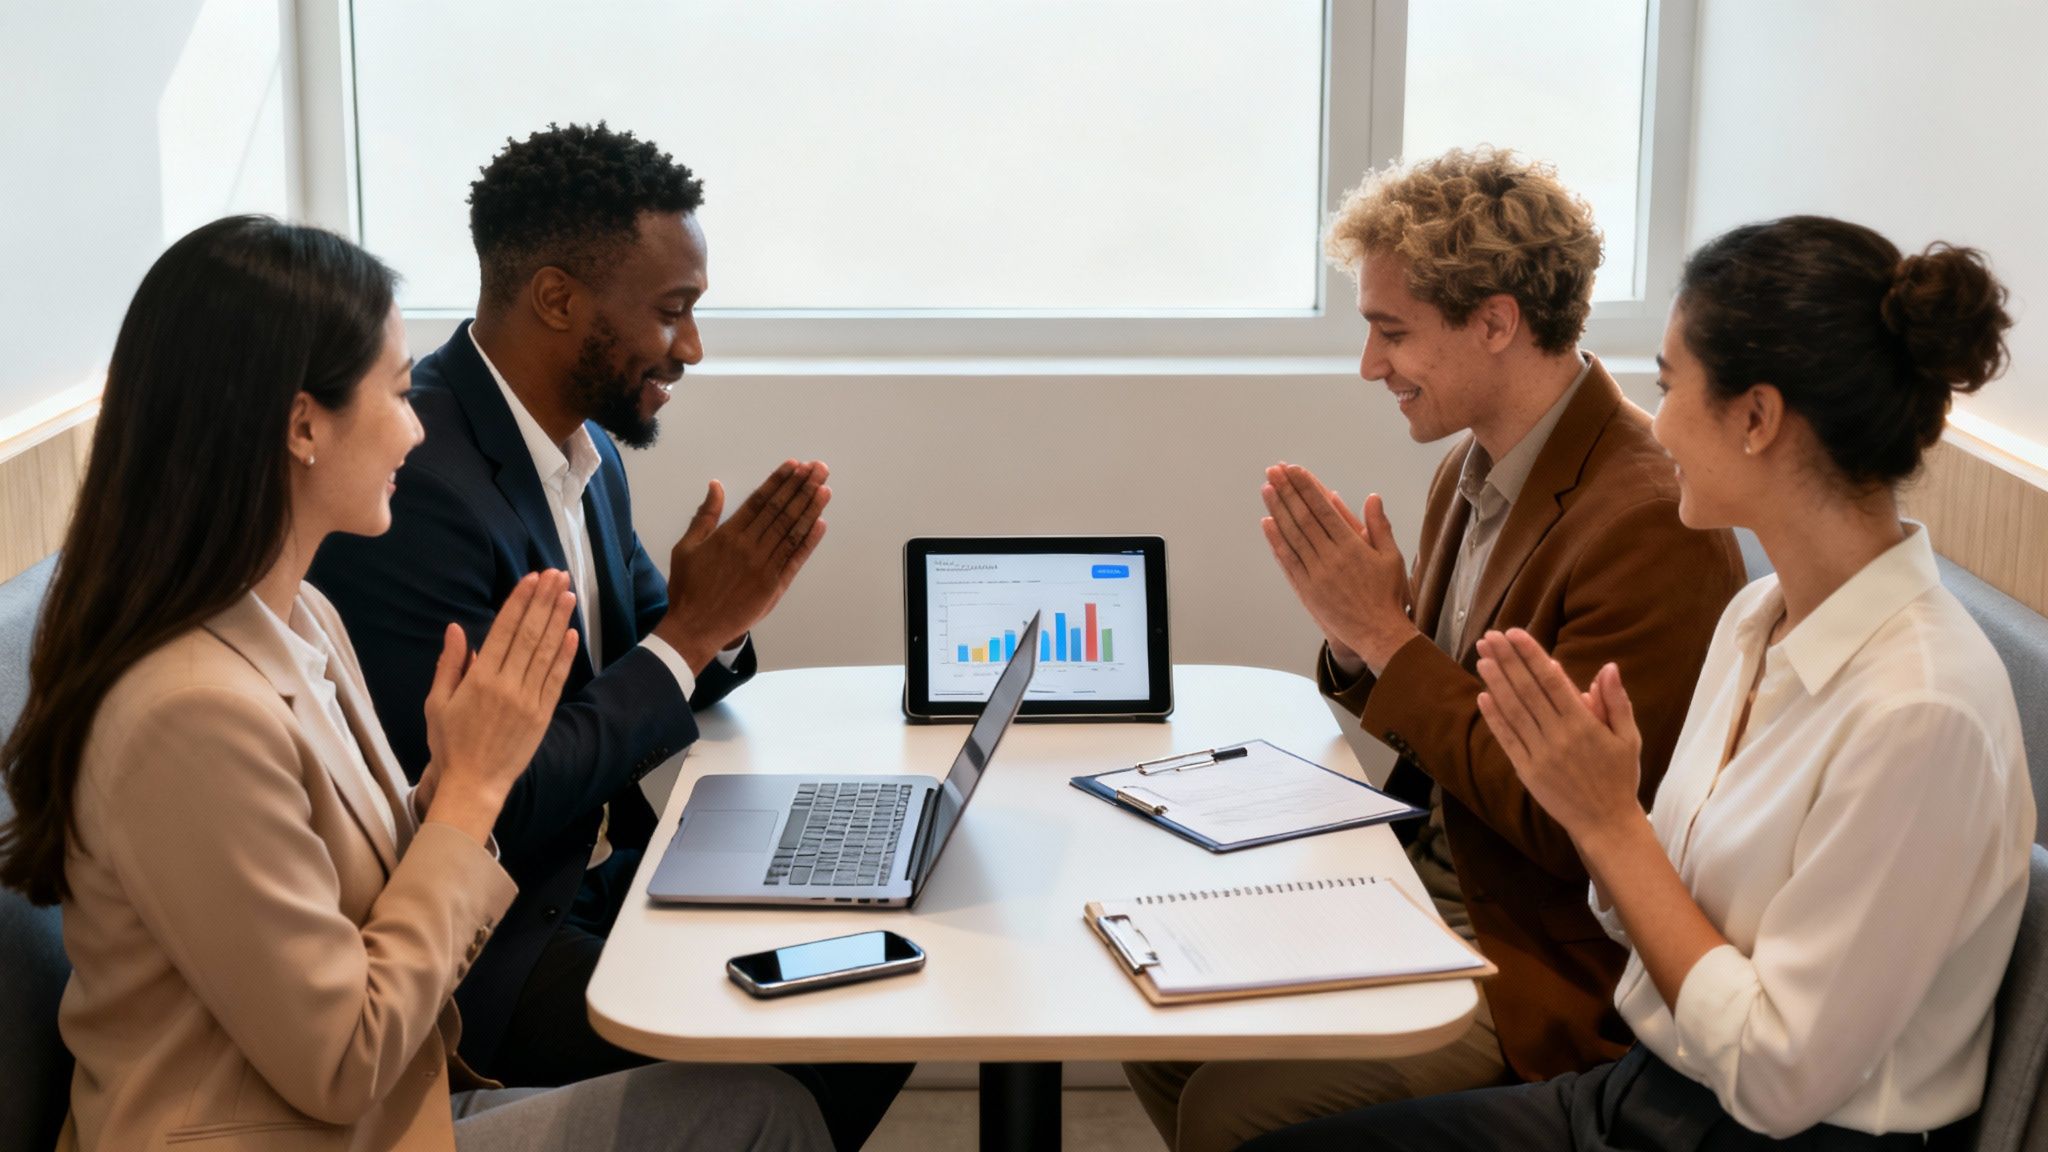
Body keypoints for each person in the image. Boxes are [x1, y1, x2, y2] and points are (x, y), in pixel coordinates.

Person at [0, 215, 829, 1151]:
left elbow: (366, 892)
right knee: (763, 1112)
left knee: (783, 1068)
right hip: (301, 1128)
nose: (418, 424)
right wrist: (473, 788)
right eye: (398, 393)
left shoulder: (304, 617)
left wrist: (448, 783)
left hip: (385, 1099)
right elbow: (342, 1060)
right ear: (303, 426)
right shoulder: (190, 715)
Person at [1245, 216, 2033, 1151]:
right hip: (1653, 1088)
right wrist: (1603, 812)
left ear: (1756, 419)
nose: (1656, 426)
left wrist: (1607, 822)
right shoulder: (1762, 618)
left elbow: (1778, 1079)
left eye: (1669, 387)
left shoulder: (1921, 711)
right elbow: (1660, 906)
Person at [1125, 148, 1748, 1152]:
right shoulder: (1474, 462)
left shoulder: (1644, 519)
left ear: (1495, 323)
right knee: (1156, 1021)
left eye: (1392, 332)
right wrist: (1358, 640)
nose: (1370, 366)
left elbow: (1572, 826)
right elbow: (1444, 714)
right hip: (1426, 879)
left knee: (1230, 1109)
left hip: (1539, 952)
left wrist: (1388, 636)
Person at [306, 123, 906, 1147]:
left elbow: (647, 669)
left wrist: (714, 628)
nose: (691, 348)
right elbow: (485, 794)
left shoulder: (583, 453)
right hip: (497, 946)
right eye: (671, 312)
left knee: (880, 972)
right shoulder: (420, 489)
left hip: (601, 876)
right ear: (556, 299)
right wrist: (688, 634)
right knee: (812, 1050)